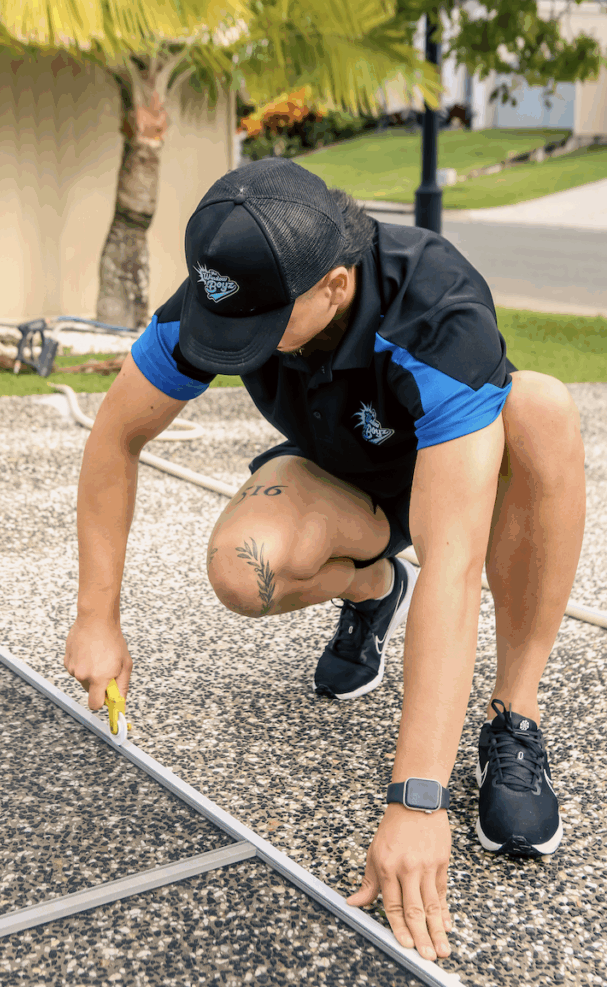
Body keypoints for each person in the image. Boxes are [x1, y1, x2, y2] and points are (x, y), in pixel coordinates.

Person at [64, 158, 585, 964]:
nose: (228, 347)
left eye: (257, 328)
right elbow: (115, 436)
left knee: (543, 409)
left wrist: (417, 801)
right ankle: (376, 587)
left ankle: (514, 717)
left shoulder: (434, 311)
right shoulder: (225, 291)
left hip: (452, 480)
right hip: (345, 487)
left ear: (335, 286)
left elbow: (456, 566)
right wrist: (96, 617)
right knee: (245, 567)